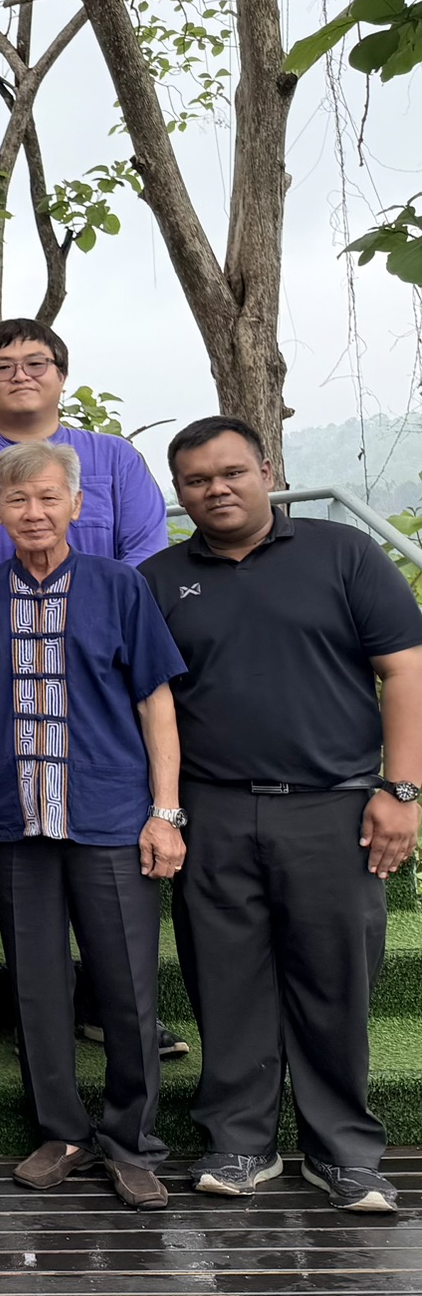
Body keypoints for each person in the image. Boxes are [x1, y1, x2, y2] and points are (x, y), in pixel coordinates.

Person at [145, 418, 422, 1213]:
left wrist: (400, 792)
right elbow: (151, 702)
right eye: (197, 480)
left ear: (268, 470)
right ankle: (239, 1143)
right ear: (182, 492)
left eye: (232, 472)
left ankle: (344, 1154)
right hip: (214, 811)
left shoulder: (345, 555)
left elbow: (405, 672)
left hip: (334, 810)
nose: (216, 489)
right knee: (225, 982)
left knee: (335, 985)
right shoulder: (161, 579)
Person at [0, 439, 187, 1212]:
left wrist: (165, 812)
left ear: (77, 505)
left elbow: (156, 702)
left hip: (112, 815)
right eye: (18, 501)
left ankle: (132, 1140)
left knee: (126, 987)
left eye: (49, 497)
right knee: (37, 988)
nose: (35, 512)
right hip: (17, 817)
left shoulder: (121, 588)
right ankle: (62, 1132)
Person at [0, 318, 170, 608]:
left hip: (113, 633)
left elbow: (147, 555)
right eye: (2, 367)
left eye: (36, 364)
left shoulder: (117, 458)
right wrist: (18, 625)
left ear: (61, 377)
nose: (21, 376)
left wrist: (100, 618)